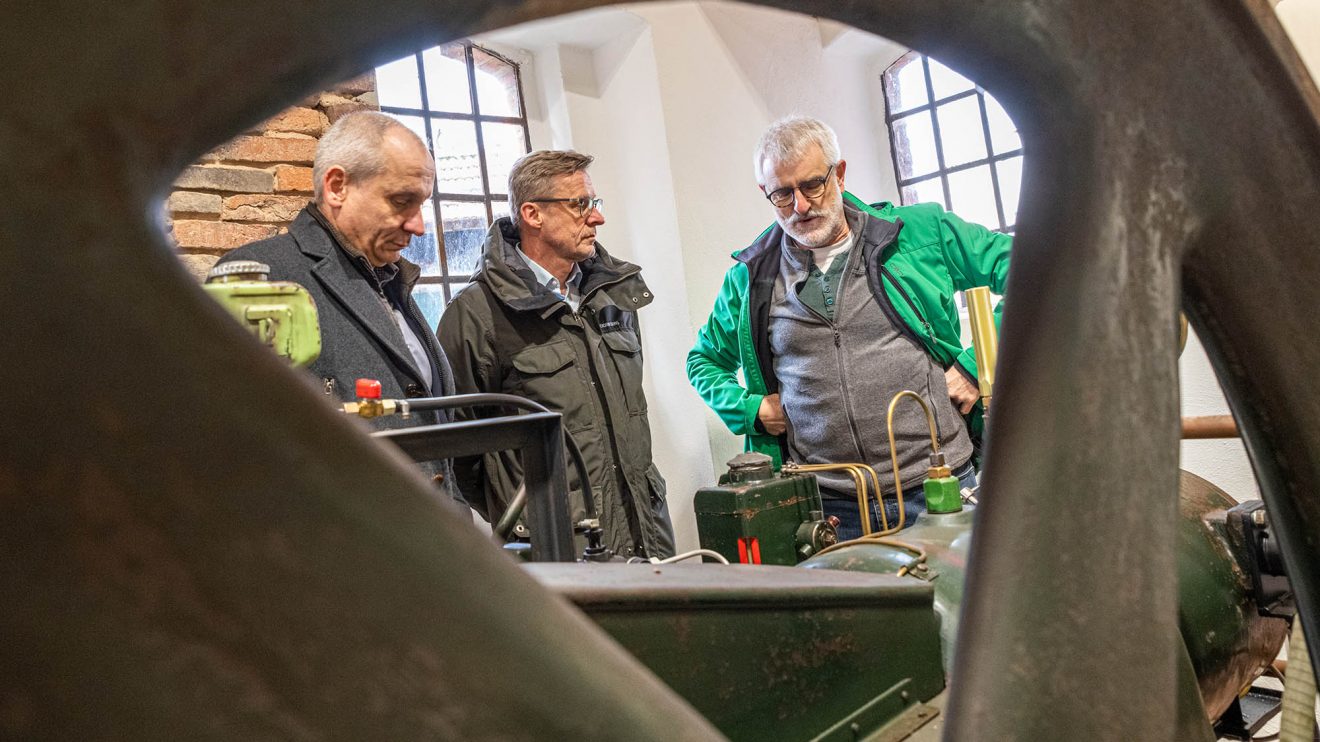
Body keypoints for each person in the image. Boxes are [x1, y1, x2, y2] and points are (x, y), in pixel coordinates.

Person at [687, 115, 1011, 538]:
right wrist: (752, 410)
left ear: (839, 173)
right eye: (782, 194)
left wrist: (974, 365)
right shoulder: (751, 278)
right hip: (825, 510)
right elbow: (703, 361)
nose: (800, 206)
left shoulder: (919, 233)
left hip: (939, 490)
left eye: (812, 185)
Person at [437, 150, 676, 559]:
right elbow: (459, 453)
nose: (596, 218)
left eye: (594, 204)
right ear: (533, 214)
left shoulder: (613, 292)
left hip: (646, 535)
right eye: (580, 204)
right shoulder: (478, 314)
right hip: (557, 550)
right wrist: (524, 520)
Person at [217, 111, 460, 503]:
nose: (419, 226)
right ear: (337, 187)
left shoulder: (391, 278)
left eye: (422, 205)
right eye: (402, 201)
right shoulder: (260, 278)